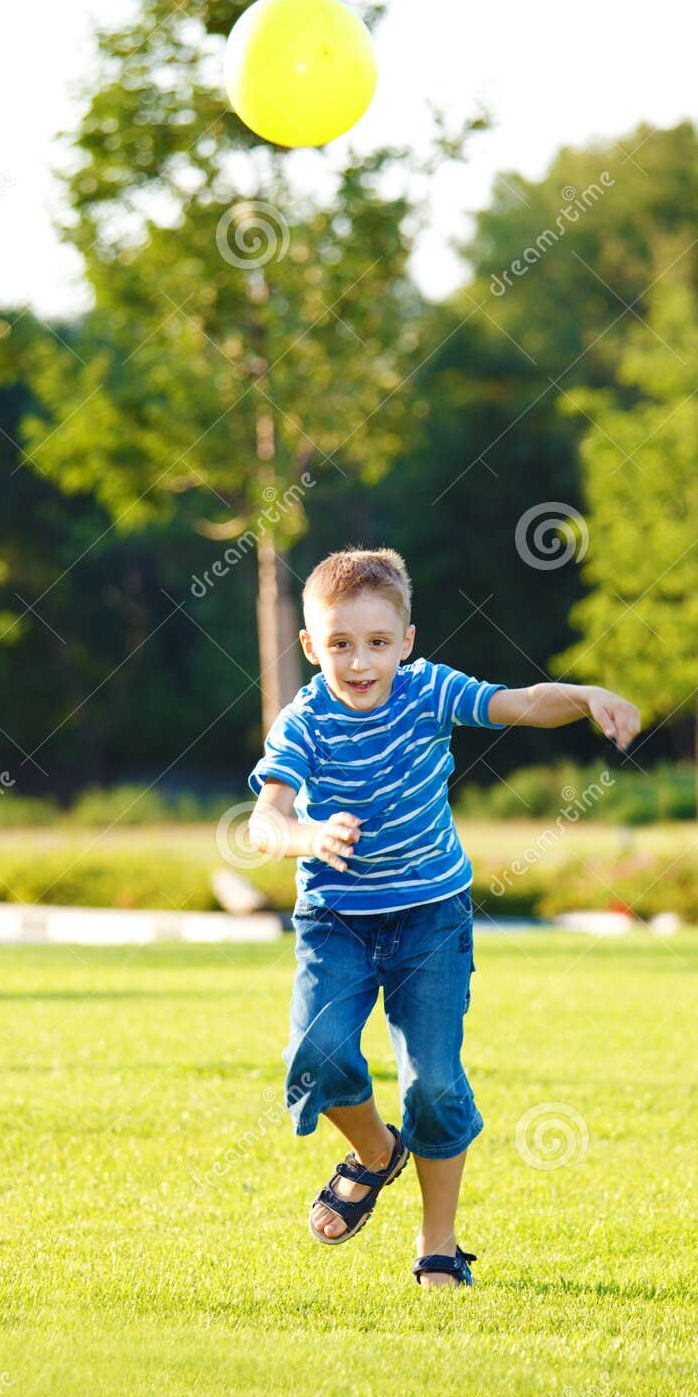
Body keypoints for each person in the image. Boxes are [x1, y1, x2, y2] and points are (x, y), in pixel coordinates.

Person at [247, 547, 640, 1288]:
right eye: (338, 644)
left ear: (406, 641)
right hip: (335, 919)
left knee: (432, 1083)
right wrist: (306, 835)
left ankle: (438, 1242)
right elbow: (264, 821)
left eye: (375, 643)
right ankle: (373, 1154)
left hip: (430, 918)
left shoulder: (428, 692)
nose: (358, 662)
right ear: (310, 646)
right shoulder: (304, 722)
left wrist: (585, 695)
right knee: (318, 1056)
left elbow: (521, 702)